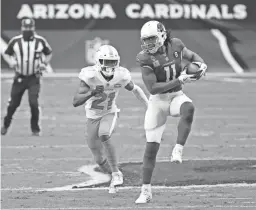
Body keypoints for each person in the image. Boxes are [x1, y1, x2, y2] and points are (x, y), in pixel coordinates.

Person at [135, 20, 207, 203]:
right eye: (145, 40)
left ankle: (178, 149)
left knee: (189, 107)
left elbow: (191, 56)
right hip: (158, 102)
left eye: (151, 38)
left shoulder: (176, 44)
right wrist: (180, 79)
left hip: (176, 96)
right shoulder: (144, 58)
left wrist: (201, 64)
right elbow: (153, 88)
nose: (148, 43)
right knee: (151, 149)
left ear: (162, 35)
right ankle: (145, 190)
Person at [73, 44, 148, 188]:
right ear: (98, 61)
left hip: (109, 112)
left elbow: (135, 89)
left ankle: (116, 174)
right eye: (107, 62)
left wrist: (149, 106)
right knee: (98, 157)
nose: (110, 66)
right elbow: (76, 101)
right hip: (92, 117)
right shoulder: (91, 76)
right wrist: (92, 92)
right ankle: (116, 174)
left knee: (104, 134)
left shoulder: (121, 75)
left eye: (113, 62)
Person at [1, 17, 53, 136]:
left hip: (34, 77)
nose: (28, 29)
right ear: (22, 28)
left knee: (33, 103)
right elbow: (7, 54)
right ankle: (5, 125)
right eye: (26, 27)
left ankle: (35, 129)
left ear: (33, 28)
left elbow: (48, 53)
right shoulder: (15, 41)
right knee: (13, 104)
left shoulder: (40, 41)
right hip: (20, 77)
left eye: (30, 27)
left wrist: (44, 63)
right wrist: (11, 62)